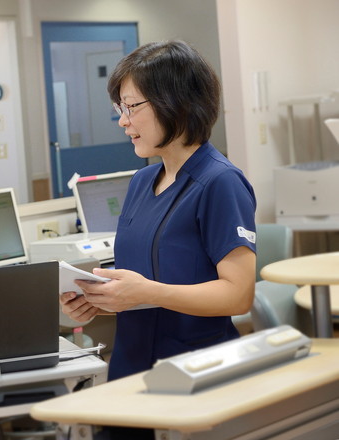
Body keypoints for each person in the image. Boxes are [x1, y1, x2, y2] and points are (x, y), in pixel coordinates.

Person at [61, 40, 256, 381]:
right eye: (119, 108)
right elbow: (142, 289)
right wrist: (100, 301)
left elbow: (238, 295)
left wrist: (147, 291)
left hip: (196, 370)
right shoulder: (142, 181)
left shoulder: (219, 183)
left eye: (131, 107)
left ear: (176, 103)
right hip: (131, 366)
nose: (122, 121)